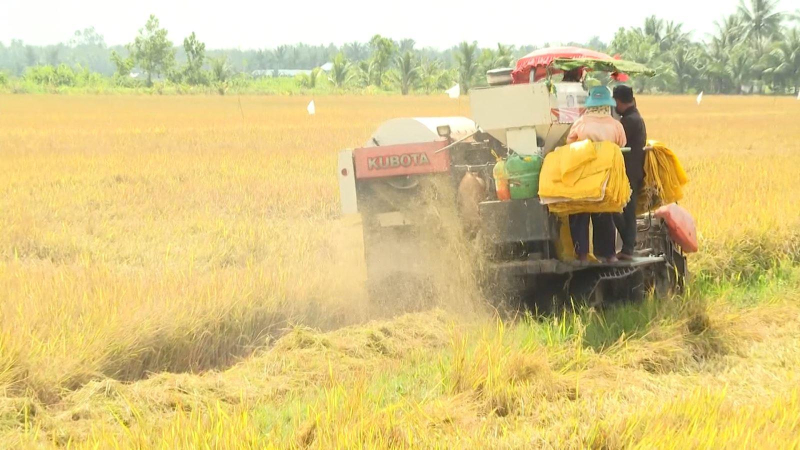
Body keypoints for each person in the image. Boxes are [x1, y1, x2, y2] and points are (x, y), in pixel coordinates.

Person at [566, 86, 627, 264]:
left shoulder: (580, 123)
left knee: (580, 214)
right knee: (605, 215)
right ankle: (609, 255)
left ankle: (583, 255)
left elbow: (570, 143)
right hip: (606, 178)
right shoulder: (616, 125)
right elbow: (622, 144)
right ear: (607, 105)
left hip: (584, 176)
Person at [612, 85, 647, 261]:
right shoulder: (634, 117)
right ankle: (628, 246)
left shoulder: (629, 121)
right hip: (633, 171)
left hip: (628, 173)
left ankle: (627, 247)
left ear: (618, 101)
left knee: (622, 210)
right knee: (625, 210)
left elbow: (615, 140)